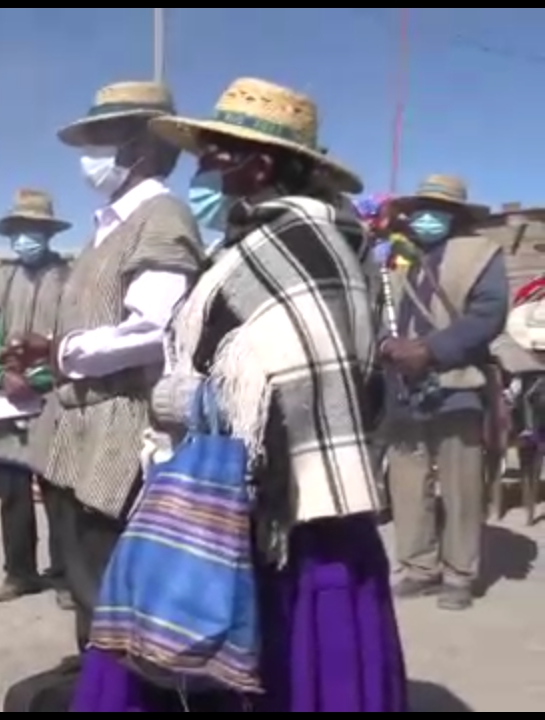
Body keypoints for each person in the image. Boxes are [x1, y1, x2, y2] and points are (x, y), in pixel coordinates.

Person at [71, 76, 405, 712]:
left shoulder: (300, 248)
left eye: (219, 151)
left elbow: (290, 388)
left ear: (261, 163)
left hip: (293, 512)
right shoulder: (257, 243)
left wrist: (176, 400)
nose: (204, 165)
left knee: (286, 665)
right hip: (253, 494)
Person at [39, 81, 205, 647]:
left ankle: (117, 687)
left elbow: (155, 331)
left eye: (103, 139)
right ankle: (94, 678)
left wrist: (63, 353)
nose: (91, 156)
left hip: (120, 427)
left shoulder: (163, 218)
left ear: (143, 148)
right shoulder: (107, 225)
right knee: (85, 577)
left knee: (110, 582)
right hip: (78, 428)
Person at [380, 175, 509, 611]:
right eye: (420, 207)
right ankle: (419, 567)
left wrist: (430, 350)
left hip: (457, 383)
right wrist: (387, 346)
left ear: (455, 215)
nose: (426, 216)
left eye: (436, 208)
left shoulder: (480, 255)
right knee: (406, 481)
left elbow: (488, 317)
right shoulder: (395, 257)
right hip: (401, 387)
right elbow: (377, 309)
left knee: (461, 484)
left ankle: (459, 574)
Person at [0, 189, 71, 605]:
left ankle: (67, 577)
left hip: (53, 394)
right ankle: (20, 573)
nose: (24, 238)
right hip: (6, 396)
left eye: (32, 230)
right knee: (12, 493)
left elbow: (77, 331)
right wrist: (0, 372)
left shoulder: (70, 276)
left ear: (47, 232)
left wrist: (42, 373)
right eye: (18, 231)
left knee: (60, 492)